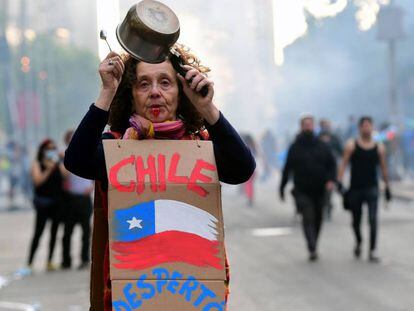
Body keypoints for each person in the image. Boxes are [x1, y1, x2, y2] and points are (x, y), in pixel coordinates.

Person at [64, 47, 256, 310]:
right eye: (144, 84)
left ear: (181, 92)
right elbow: (76, 159)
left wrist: (207, 107)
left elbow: (242, 169)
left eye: (165, 83)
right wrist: (107, 92)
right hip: (130, 296)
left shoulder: (201, 145)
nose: (155, 92)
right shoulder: (117, 146)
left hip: (194, 295)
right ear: (130, 95)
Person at [279, 115, 336, 261]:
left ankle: (314, 242)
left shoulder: (322, 145)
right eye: (305, 125)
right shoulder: (295, 147)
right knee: (308, 216)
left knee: (318, 218)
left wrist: (331, 180)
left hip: (319, 189)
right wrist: (282, 186)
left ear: (314, 126)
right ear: (301, 127)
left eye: (310, 124)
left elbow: (331, 164)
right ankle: (311, 246)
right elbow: (287, 168)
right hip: (302, 189)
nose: (308, 127)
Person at [337, 116, 392, 262]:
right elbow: (343, 164)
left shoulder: (379, 147)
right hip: (356, 188)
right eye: (364, 126)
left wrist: (387, 186)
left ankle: (373, 250)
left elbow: (383, 168)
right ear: (360, 128)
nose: (367, 128)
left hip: (372, 188)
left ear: (372, 127)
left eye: (369, 125)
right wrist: (340, 181)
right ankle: (359, 241)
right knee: (356, 220)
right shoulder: (352, 145)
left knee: (373, 220)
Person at [27, 139, 65, 271]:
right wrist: (48, 169)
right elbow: (37, 181)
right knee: (38, 233)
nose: (51, 151)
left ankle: (49, 261)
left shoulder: (57, 164)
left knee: (54, 233)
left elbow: (66, 175)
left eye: (53, 148)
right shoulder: (37, 163)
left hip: (57, 204)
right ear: (42, 150)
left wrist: (60, 162)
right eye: (48, 148)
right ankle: (30, 262)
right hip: (43, 204)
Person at [61, 130, 94, 270]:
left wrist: (91, 187)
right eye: (69, 138)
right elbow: (63, 175)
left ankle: (84, 259)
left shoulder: (87, 152)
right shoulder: (64, 156)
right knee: (67, 232)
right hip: (71, 198)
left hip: (85, 198)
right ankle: (66, 260)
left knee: (86, 231)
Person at [318, 119, 343, 220]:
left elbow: (340, 151)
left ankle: (328, 208)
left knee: (329, 189)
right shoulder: (316, 138)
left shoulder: (334, 138)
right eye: (324, 125)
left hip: (331, 168)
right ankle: (324, 206)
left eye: (327, 125)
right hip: (319, 168)